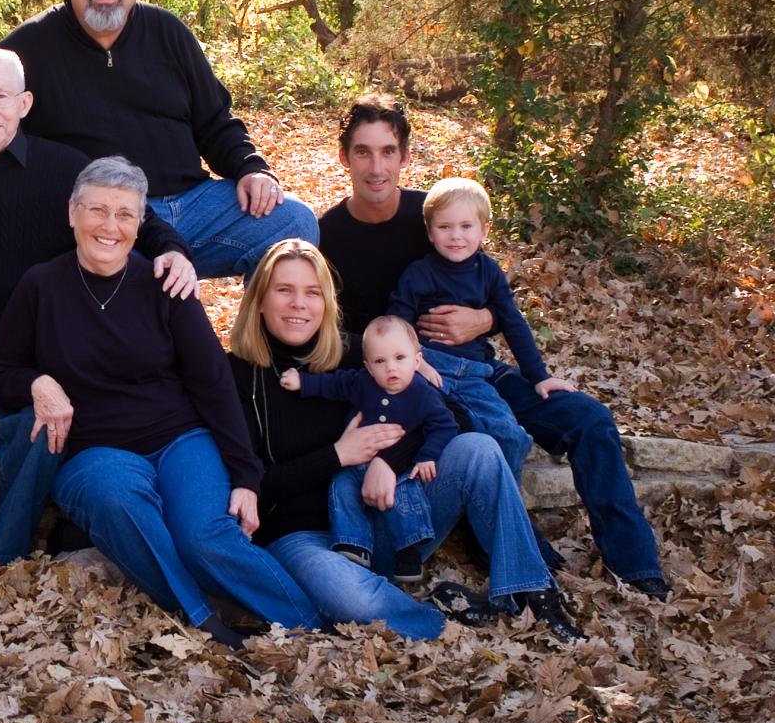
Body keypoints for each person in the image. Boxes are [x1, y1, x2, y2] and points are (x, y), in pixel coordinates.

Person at [316, 93, 668, 599]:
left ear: (405, 156)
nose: (377, 167)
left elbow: (484, 284)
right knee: (486, 432)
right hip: (410, 381)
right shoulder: (328, 235)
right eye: (364, 152)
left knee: (588, 420)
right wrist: (405, 359)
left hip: (481, 366)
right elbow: (328, 336)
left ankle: (635, 566)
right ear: (344, 156)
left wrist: (482, 320)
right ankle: (513, 546)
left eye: (388, 151)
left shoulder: (431, 213)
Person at [0, 157, 322, 648]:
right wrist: (37, 382)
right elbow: (0, 373)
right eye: (97, 210)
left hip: (181, 439)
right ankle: (204, 620)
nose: (110, 225)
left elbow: (212, 382)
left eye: (125, 214)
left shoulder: (166, 284)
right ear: (72, 213)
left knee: (204, 536)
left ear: (140, 223)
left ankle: (307, 625)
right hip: (97, 452)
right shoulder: (41, 285)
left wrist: (246, 475)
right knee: (119, 501)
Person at [0, 49, 196, 563]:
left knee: (43, 423)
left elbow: (121, 212)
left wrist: (171, 249)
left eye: (1, 97)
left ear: (23, 103)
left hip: (35, 348)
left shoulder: (64, 170)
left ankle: (5, 555)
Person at [230, 239, 581, 640]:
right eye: (284, 290)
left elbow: (453, 416)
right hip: (304, 537)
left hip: (390, 519)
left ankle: (529, 591)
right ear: (259, 299)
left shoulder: (363, 353)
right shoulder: (236, 376)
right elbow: (250, 483)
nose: (299, 304)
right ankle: (448, 626)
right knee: (354, 600)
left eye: (312, 292)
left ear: (326, 302)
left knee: (480, 449)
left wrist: (387, 460)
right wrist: (340, 455)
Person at [0, 0, 316, 279]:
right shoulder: (28, 47)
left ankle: (260, 336)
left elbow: (215, 120)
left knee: (292, 222)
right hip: (102, 217)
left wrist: (250, 168)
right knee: (116, 267)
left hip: (192, 207)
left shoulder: (168, 32)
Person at [388, 177, 575, 473]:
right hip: (430, 367)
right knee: (452, 431)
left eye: (466, 226)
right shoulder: (419, 273)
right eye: (444, 227)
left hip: (474, 374)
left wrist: (538, 377)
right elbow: (397, 324)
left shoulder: (488, 272)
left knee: (511, 436)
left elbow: (513, 321)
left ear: (484, 230)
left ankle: (504, 506)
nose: (456, 236)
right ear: (430, 232)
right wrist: (415, 363)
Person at [280, 314, 456, 581]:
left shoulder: (423, 393)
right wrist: (302, 382)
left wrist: (427, 457)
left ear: (417, 361)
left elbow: (445, 425)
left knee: (404, 495)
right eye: (380, 361)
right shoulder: (362, 382)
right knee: (340, 487)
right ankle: (353, 543)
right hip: (356, 463)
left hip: (399, 467)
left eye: (400, 358)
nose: (391, 369)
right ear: (369, 366)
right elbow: (333, 384)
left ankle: (409, 551)